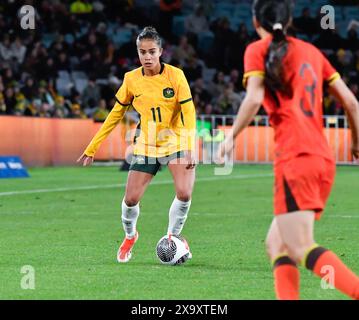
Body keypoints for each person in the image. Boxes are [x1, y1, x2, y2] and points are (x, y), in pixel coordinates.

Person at [218, 0, 359, 300]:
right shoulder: (312, 52)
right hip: (322, 158)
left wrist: (231, 137)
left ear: (256, 21)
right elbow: (352, 104)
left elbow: (254, 99)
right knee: (277, 245)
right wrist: (357, 143)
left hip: (296, 158)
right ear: (290, 19)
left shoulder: (258, 50)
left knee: (299, 246)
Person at [77, 27, 196, 263]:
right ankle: (130, 236)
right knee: (130, 199)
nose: (147, 57)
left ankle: (173, 237)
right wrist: (92, 147)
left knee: (184, 192)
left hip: (175, 141)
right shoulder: (131, 79)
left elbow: (188, 111)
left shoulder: (176, 75)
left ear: (161, 51)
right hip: (146, 145)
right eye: (142, 52)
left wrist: (190, 144)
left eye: (152, 51)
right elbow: (114, 115)